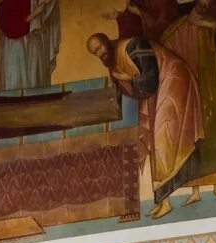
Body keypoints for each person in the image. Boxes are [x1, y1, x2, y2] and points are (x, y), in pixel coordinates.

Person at [87, 31, 203, 219]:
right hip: (158, 90)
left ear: (107, 41)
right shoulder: (112, 62)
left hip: (174, 78)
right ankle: (164, 201)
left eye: (99, 47)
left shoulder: (133, 46)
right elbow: (128, 88)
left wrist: (129, 79)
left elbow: (149, 80)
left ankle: (168, 199)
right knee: (153, 139)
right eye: (95, 53)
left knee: (163, 137)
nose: (100, 53)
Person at [162, 0, 216, 207]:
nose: (204, 6)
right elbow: (168, 50)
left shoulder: (214, 23)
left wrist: (213, 27)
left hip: (214, 87)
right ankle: (195, 191)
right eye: (201, 2)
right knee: (194, 139)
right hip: (193, 91)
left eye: (207, 3)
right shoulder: (180, 27)